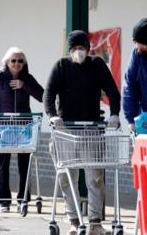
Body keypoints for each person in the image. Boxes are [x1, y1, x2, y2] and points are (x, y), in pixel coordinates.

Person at [44, 30, 120, 235]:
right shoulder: (61, 66)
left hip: (92, 128)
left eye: (82, 48)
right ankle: (74, 220)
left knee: (95, 177)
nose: (79, 51)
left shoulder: (97, 65)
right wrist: (52, 116)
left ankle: (95, 222)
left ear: (88, 48)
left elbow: (113, 91)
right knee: (68, 177)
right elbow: (48, 94)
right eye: (75, 48)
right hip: (66, 130)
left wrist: (114, 114)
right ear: (70, 50)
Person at [0, 47, 44, 213]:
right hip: (4, 128)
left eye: (20, 61)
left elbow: (42, 96)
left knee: (25, 165)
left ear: (24, 64)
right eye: (13, 60)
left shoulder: (28, 78)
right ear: (7, 62)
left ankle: (23, 199)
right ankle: (3, 200)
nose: (17, 64)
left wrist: (24, 86)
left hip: (24, 127)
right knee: (3, 165)